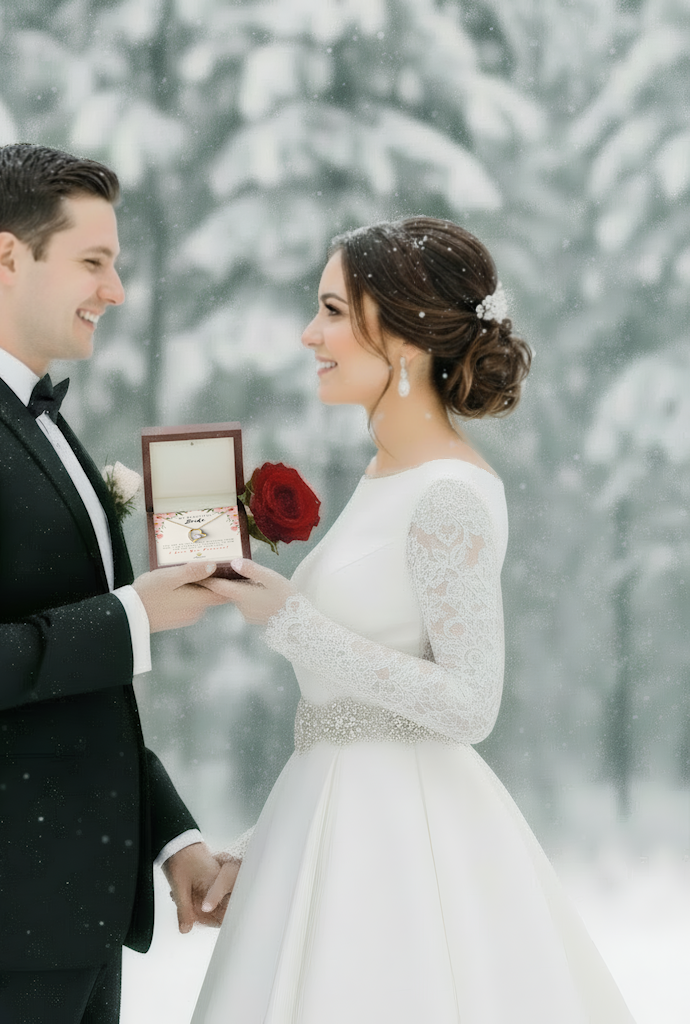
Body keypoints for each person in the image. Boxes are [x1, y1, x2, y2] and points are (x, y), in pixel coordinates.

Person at [193, 218, 636, 1022]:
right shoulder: (385, 474)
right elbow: (349, 723)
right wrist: (267, 849)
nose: (310, 333)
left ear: (403, 336)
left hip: (397, 858)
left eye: (332, 310)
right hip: (337, 822)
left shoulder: (448, 495)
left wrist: (291, 622)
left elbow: (470, 703)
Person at [0, 143, 227, 1024]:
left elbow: (71, 698)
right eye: (94, 262)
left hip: (68, 927)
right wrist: (130, 617)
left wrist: (169, 834)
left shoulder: (39, 423)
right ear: (8, 257)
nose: (116, 290)